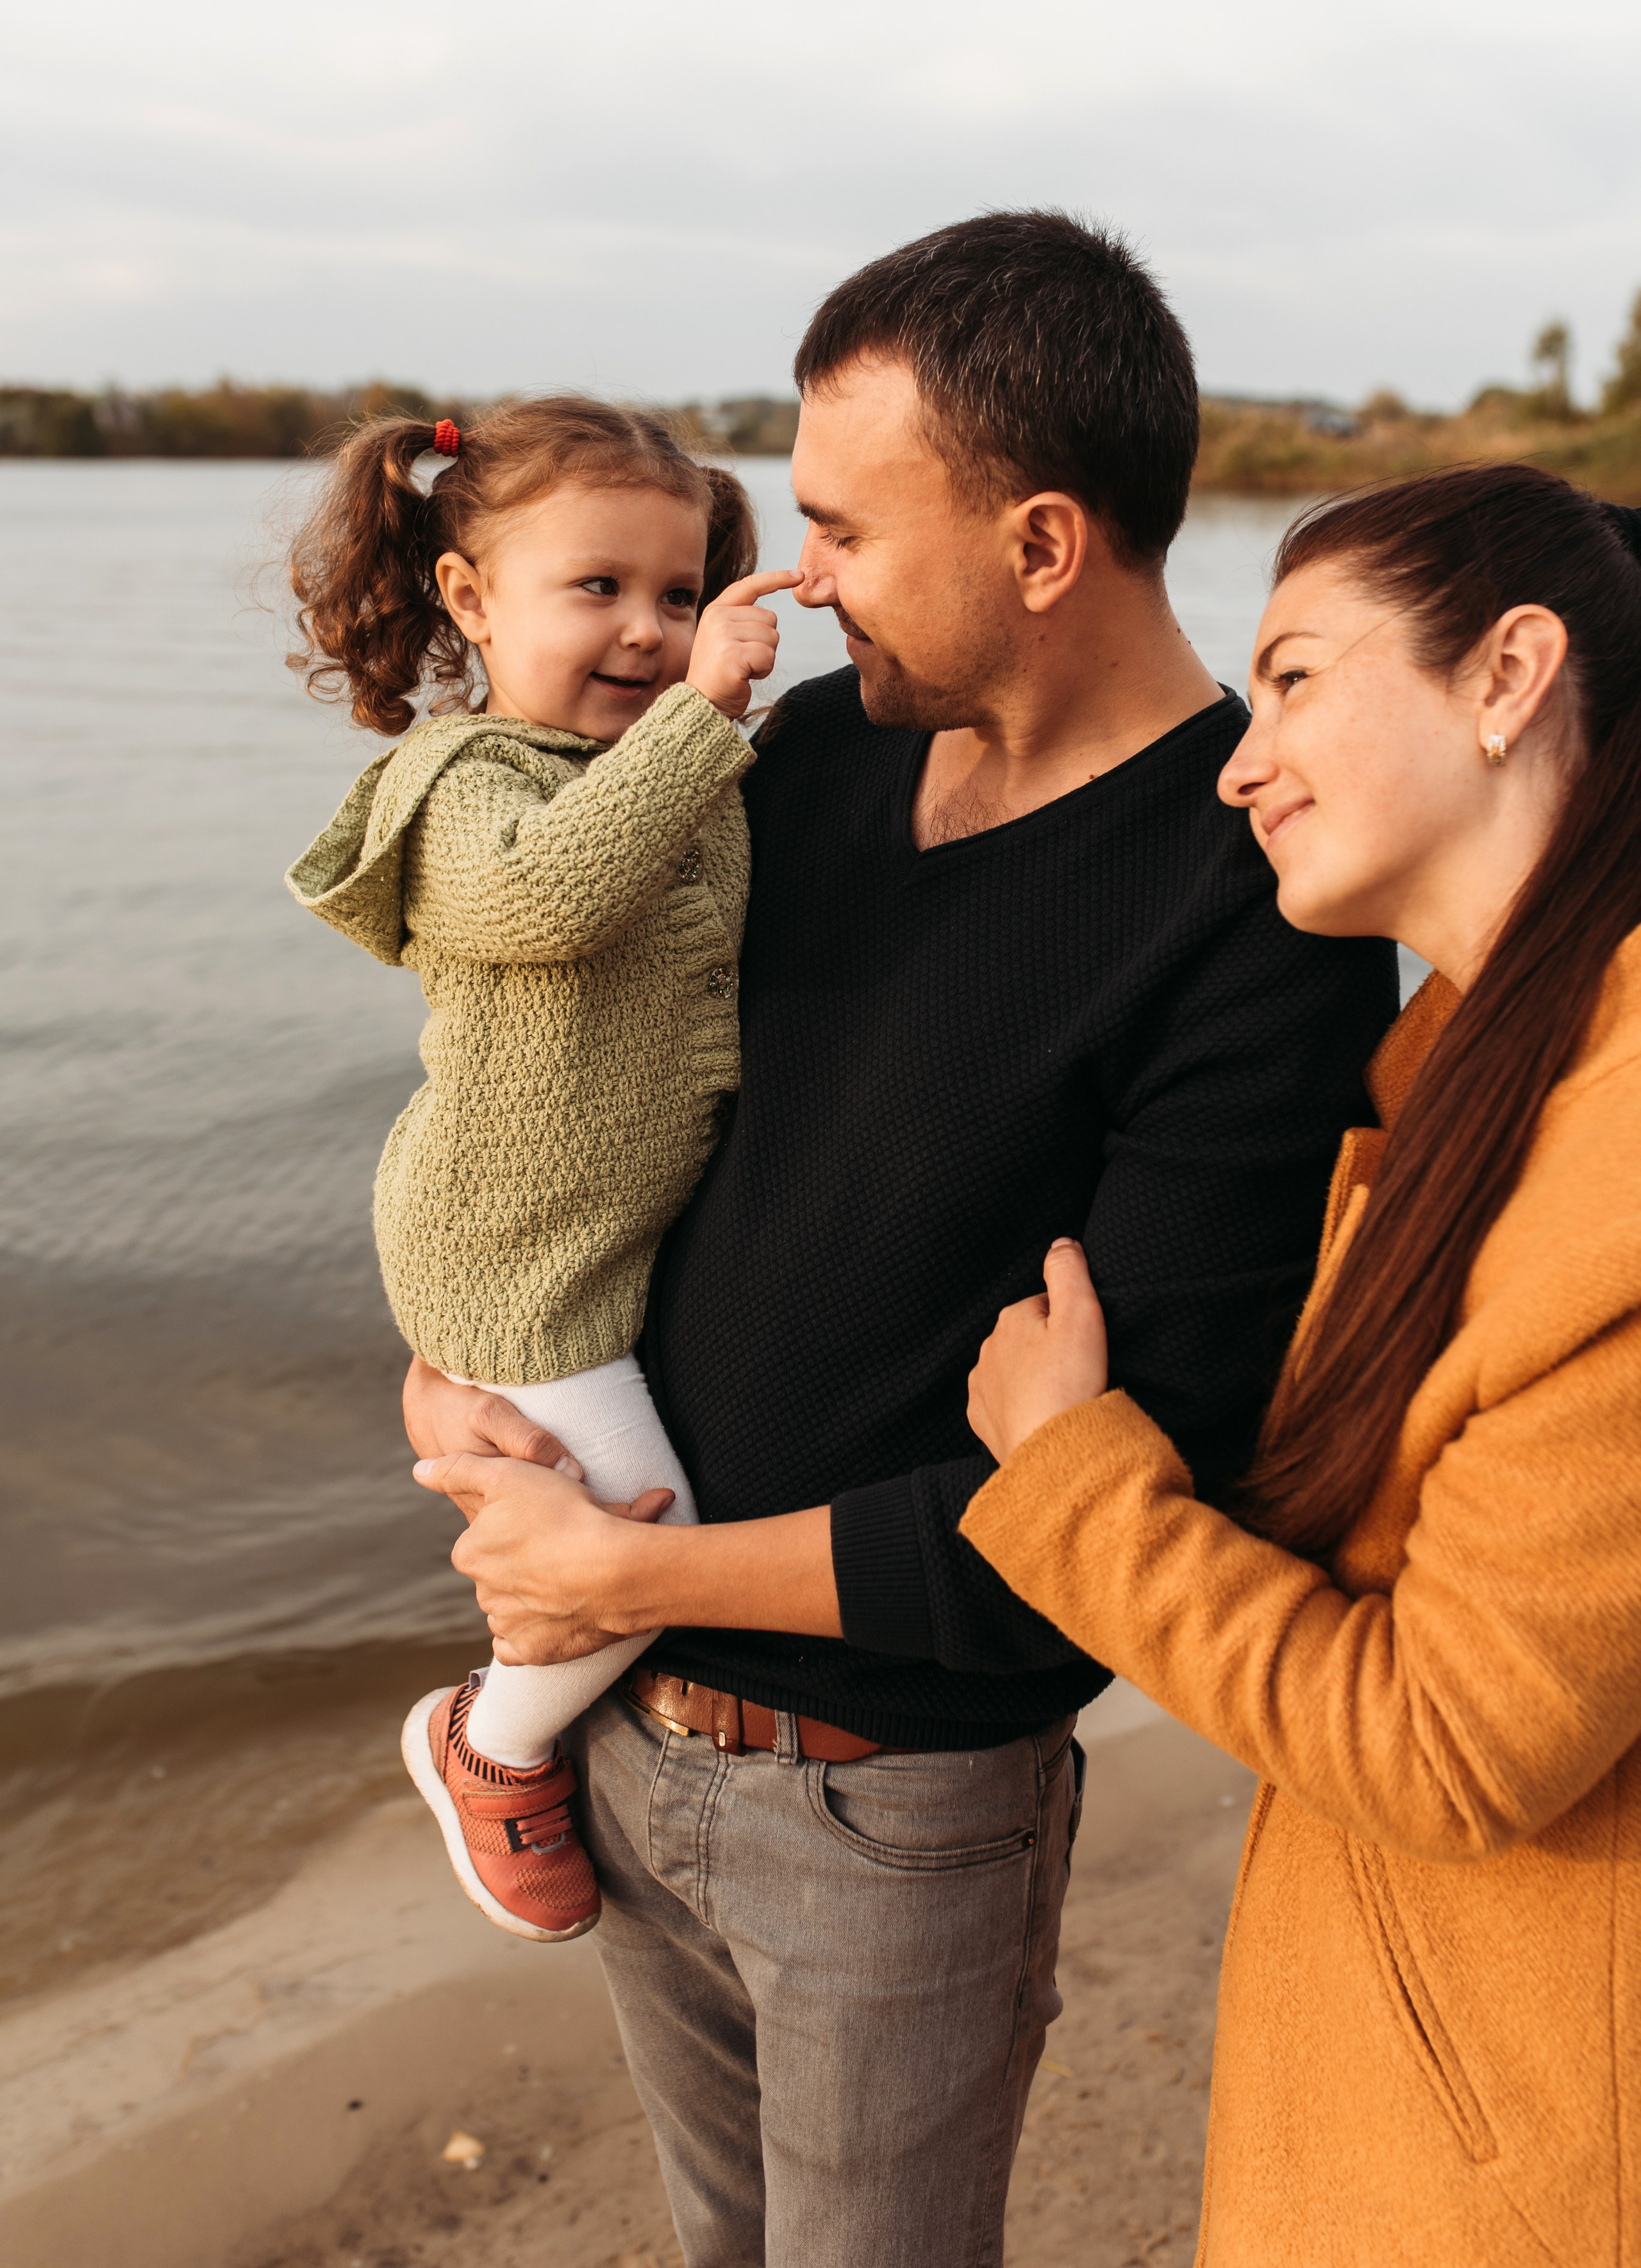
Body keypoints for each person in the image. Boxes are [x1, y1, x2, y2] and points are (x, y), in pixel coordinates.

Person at [406, 212, 1399, 2268]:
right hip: (620, 1718)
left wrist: (635, 1561)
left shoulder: (1255, 917)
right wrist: (472, 1369)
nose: (797, 578)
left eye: (848, 526)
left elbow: (1136, 1480)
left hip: (891, 1805)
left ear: (1042, 544)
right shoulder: (817, 753)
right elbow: (586, 1108)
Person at [962, 465, 1641, 2267]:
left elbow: (1450, 1741)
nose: (1238, 758)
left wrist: (1070, 1474)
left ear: (1509, 676)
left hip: (1516, 2150)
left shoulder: (1615, 1162)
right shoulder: (1472, 1076)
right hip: (1441, 2062)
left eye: (1296, 679)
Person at [285, 393, 794, 1939]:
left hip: (593, 1236)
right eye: (599, 588)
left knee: (607, 1511)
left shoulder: (660, 766)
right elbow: (544, 902)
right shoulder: (464, 783)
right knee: (634, 1523)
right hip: (505, 1246)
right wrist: (706, 719)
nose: (647, 631)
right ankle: (486, 1739)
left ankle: (533, 1722)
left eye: (681, 593)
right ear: (468, 597)